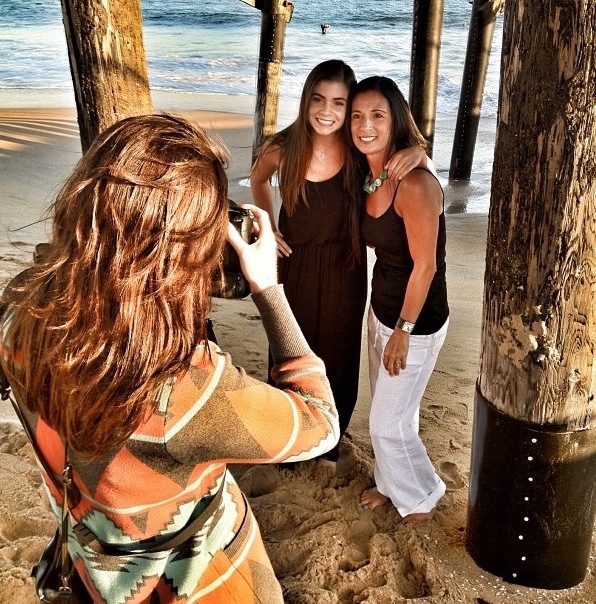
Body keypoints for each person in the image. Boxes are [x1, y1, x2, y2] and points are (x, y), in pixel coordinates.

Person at [0, 114, 340, 603]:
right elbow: (320, 423)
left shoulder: (20, 312)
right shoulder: (184, 389)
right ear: (180, 254)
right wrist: (268, 289)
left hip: (91, 559)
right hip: (196, 581)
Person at [250, 60, 426, 468]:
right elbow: (257, 179)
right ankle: (287, 438)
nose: (327, 111)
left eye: (339, 103)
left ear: (349, 109)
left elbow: (399, 152)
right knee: (289, 347)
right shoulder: (284, 148)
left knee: (338, 353)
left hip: (345, 265)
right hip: (293, 263)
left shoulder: (356, 149)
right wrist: (267, 224)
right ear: (306, 100)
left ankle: (329, 438)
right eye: (319, 99)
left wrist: (418, 151)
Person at [350, 76, 449, 522]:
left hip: (416, 321)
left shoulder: (415, 184)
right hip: (382, 309)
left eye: (377, 115)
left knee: (386, 425)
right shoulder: (370, 174)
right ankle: (391, 485)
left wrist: (403, 332)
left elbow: (425, 267)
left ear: (395, 120)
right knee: (395, 414)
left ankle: (423, 497)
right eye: (357, 116)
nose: (365, 125)